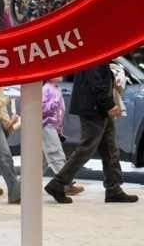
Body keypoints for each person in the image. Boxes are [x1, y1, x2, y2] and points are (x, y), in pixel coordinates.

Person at [45, 64, 139, 204]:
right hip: (94, 108)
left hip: (99, 107)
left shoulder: (99, 55)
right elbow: (96, 81)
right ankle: (58, 184)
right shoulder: (95, 54)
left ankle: (114, 189)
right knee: (87, 148)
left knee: (110, 149)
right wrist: (109, 104)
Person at [42, 77, 83, 196]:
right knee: (56, 154)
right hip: (46, 125)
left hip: (52, 126)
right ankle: (65, 184)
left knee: (41, 159)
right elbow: (41, 108)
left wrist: (59, 128)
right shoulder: (46, 89)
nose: (60, 74)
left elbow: (60, 112)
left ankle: (22, 186)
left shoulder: (56, 88)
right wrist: (52, 104)